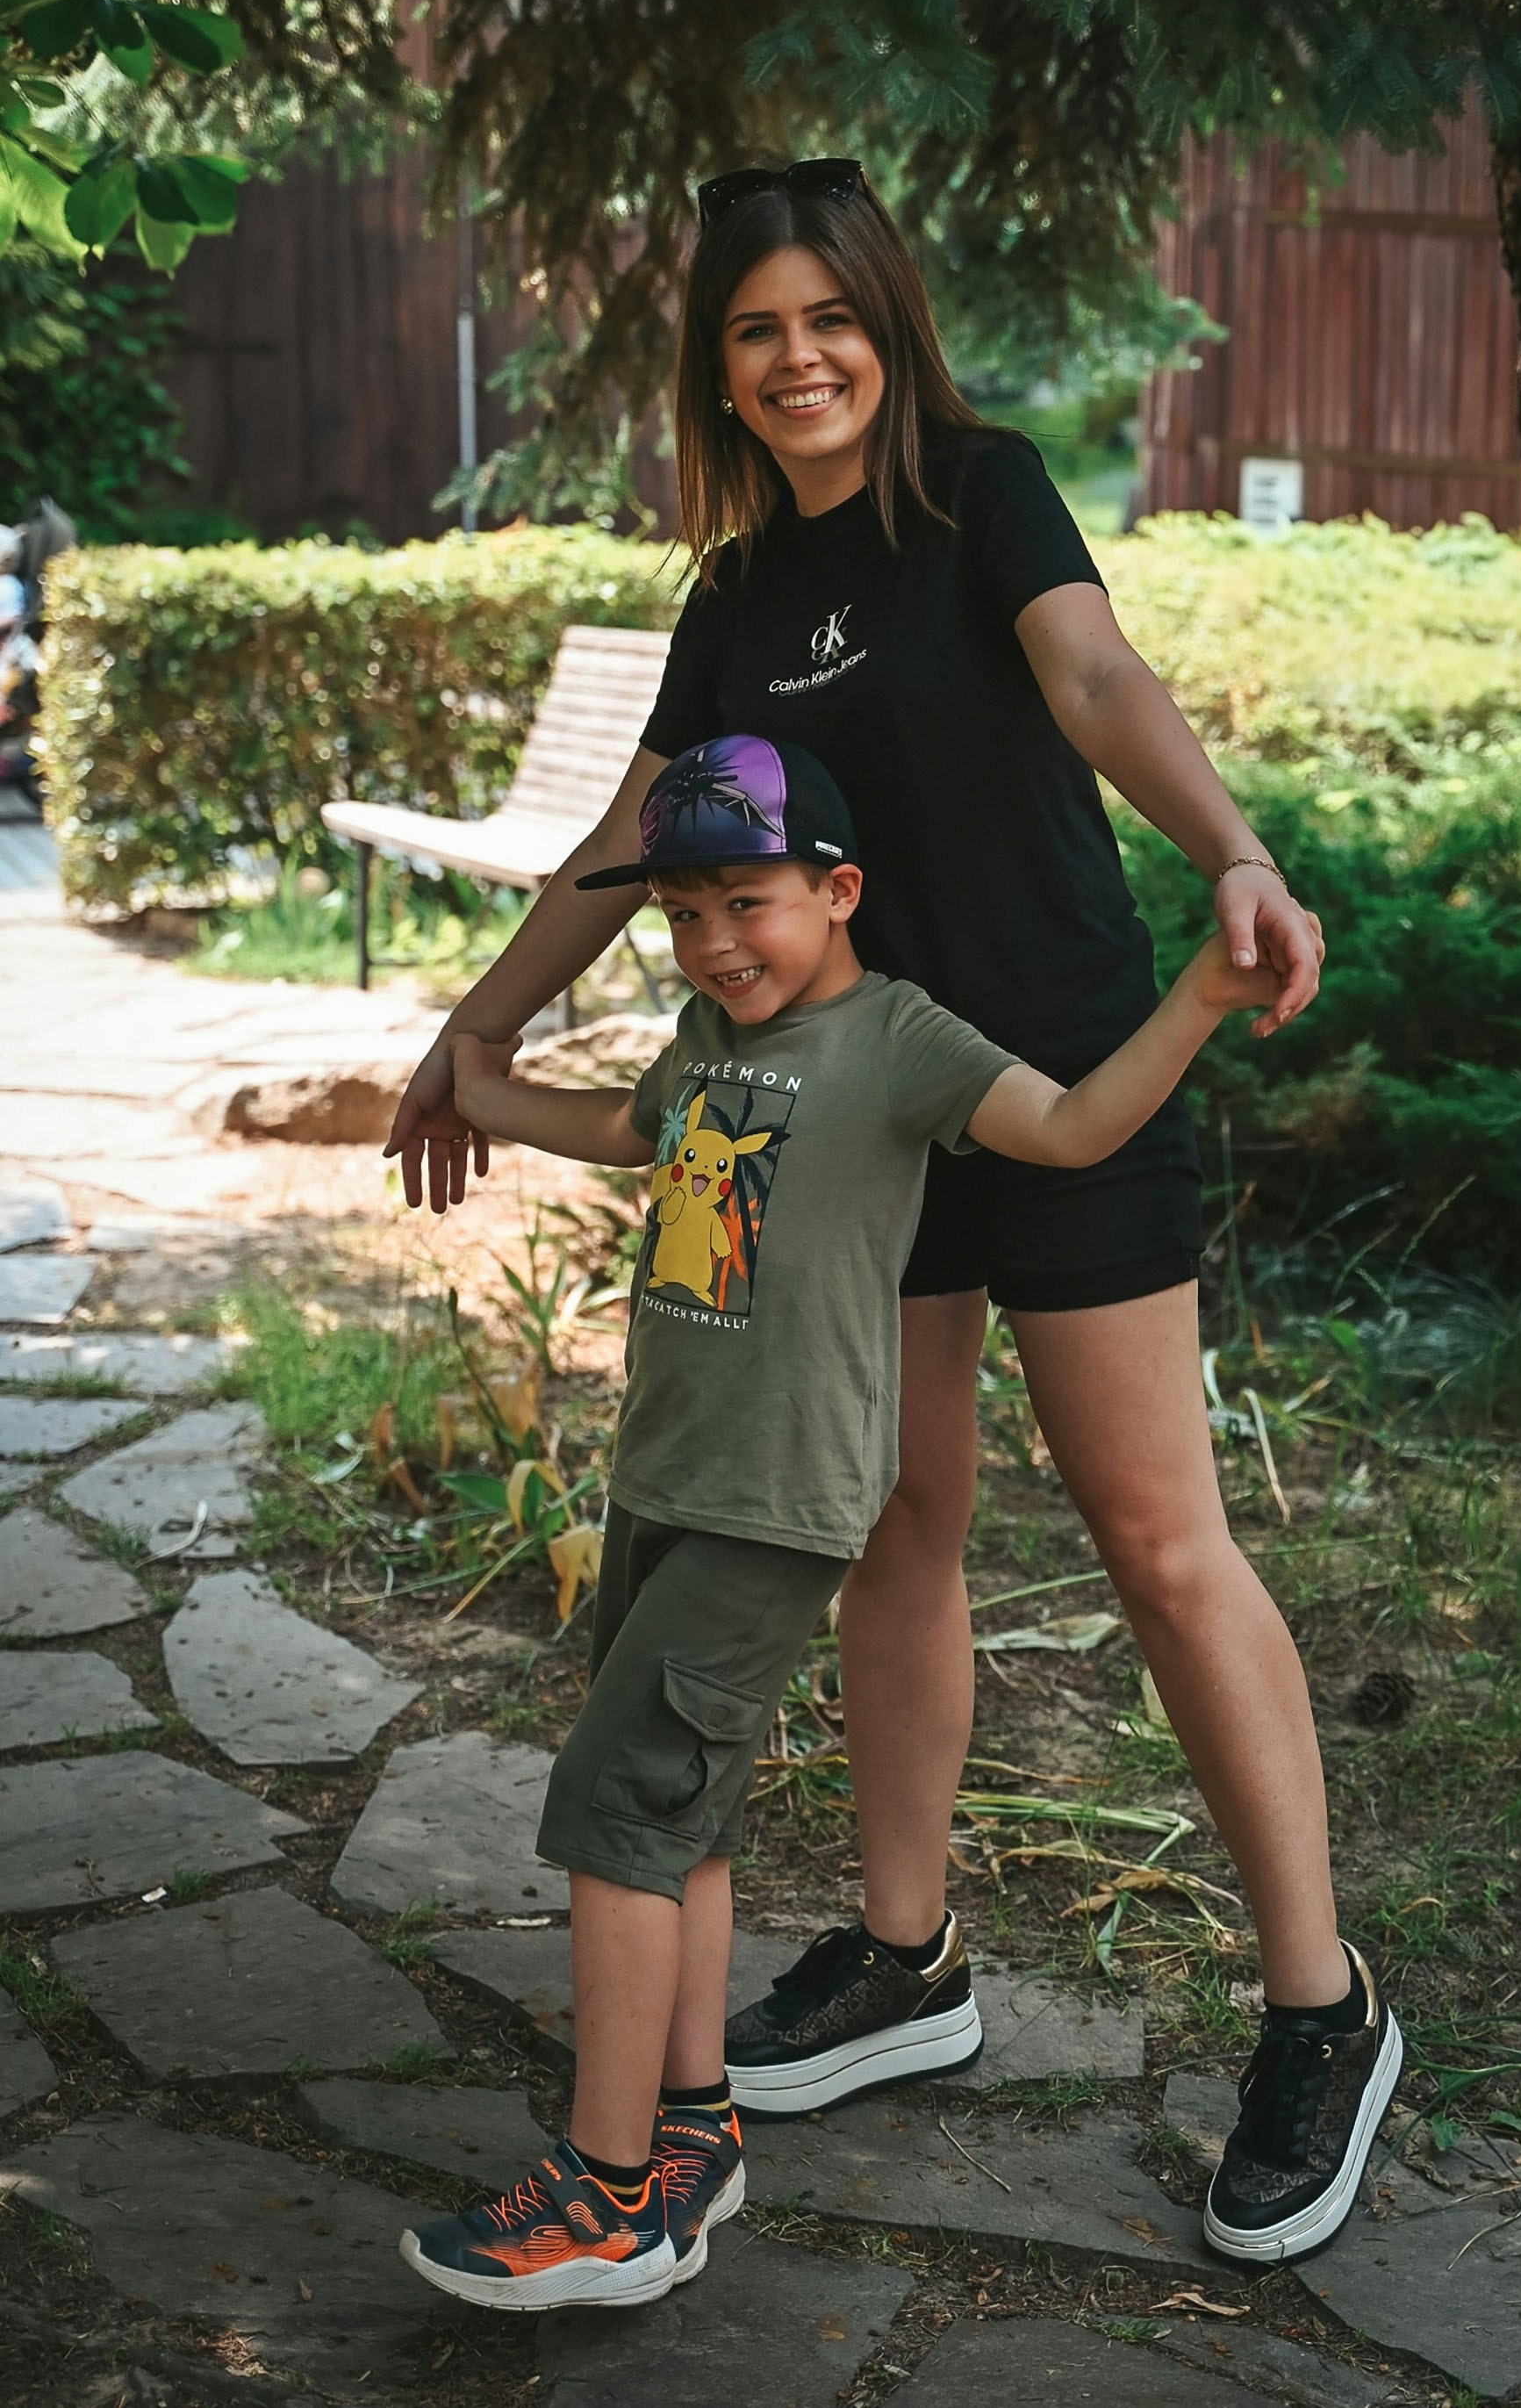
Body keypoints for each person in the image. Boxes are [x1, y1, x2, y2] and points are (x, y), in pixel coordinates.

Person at [385, 159, 1380, 2265]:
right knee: (896, 1517)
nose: (795, 354)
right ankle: (910, 1955)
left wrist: (1231, 846)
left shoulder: (982, 495)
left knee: (1150, 1533)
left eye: (824, 313)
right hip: (853, 1126)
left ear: (884, 324)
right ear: (717, 369)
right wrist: (463, 1031)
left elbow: (1095, 678)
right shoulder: (729, 600)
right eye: (752, 326)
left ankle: (1320, 1998)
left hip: (1048, 1073)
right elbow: (631, 832)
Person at [398, 731, 1368, 2312]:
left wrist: (1195, 996)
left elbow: (1065, 1128)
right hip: (663, 1480)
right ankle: (697, 2121)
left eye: (749, 903)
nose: (716, 941)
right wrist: (477, 1076)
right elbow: (628, 1130)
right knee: (679, 1812)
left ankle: (611, 2192)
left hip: (776, 1506)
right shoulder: (708, 1039)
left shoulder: (901, 1042)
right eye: (683, 915)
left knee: (618, 1808)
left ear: (838, 891)